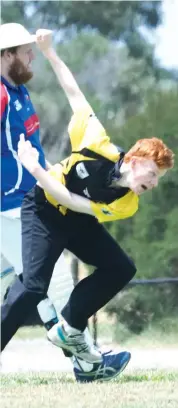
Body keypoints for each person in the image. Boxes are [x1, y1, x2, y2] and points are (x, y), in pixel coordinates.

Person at [0, 23, 130, 382]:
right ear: (6, 55)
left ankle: (85, 361)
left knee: (33, 285)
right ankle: (87, 362)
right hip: (11, 205)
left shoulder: (19, 91)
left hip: (34, 199)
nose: (31, 55)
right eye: (25, 50)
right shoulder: (1, 95)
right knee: (50, 282)